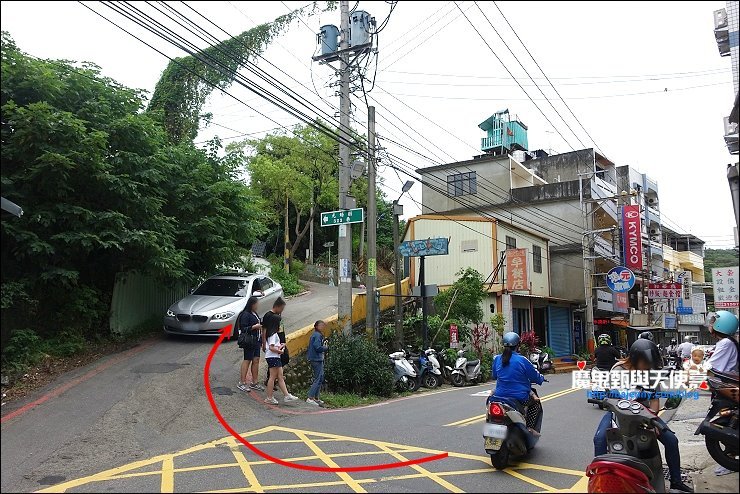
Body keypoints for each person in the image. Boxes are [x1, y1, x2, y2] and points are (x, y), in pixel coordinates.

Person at [593, 339, 693, 492]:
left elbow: (654, 400)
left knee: (671, 440)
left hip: (644, 413)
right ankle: (598, 482)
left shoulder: (651, 374)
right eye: (644, 363)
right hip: (618, 412)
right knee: (599, 439)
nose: (647, 367)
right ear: (634, 359)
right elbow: (614, 397)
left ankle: (676, 481)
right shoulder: (618, 370)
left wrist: (652, 420)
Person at [702, 310, 739, 477]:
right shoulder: (728, 342)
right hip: (726, 385)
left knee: (730, 421)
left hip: (725, 387)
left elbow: (711, 367)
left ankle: (731, 458)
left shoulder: (726, 343)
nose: (710, 325)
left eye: (713, 322)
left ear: (720, 325)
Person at [490, 332, 545, 414]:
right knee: (535, 405)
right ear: (518, 345)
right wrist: (541, 378)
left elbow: (494, 376)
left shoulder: (497, 359)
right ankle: (530, 427)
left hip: (499, 397)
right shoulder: (522, 360)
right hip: (520, 398)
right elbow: (534, 376)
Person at [263, 301, 298, 405]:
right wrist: (280, 351)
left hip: (274, 357)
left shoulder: (272, 334)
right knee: (273, 377)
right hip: (273, 356)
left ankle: (287, 395)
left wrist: (281, 346)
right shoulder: (273, 334)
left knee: (280, 376)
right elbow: (271, 347)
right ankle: (269, 397)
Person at [237, 296, 264, 392]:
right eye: (256, 304)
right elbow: (243, 328)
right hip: (249, 340)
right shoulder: (245, 314)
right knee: (247, 360)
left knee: (256, 360)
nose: (258, 305)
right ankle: (242, 382)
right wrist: (253, 327)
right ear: (252, 304)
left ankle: (254, 382)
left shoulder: (254, 313)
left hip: (257, 340)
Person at [262, 298, 287, 388]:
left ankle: (275, 378)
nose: (281, 311)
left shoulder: (278, 316)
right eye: (281, 309)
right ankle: (271, 379)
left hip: (279, 340)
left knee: (285, 358)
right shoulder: (269, 316)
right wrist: (264, 343)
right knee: (275, 362)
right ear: (277, 306)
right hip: (273, 343)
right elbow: (264, 329)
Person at [306, 320, 329, 407]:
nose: (323, 327)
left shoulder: (316, 335)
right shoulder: (317, 335)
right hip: (316, 359)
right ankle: (310, 397)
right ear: (316, 326)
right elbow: (317, 347)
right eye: (321, 325)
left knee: (320, 377)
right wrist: (325, 348)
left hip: (317, 358)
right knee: (318, 378)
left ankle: (316, 397)